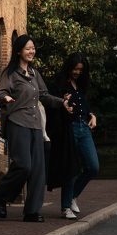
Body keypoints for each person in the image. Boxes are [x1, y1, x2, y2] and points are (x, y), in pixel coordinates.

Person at [0, 35, 71, 223]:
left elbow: (44, 95)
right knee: (24, 165)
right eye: (28, 48)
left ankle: (32, 211)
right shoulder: (10, 73)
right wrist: (5, 98)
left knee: (37, 169)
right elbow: (0, 92)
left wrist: (62, 103)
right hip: (17, 121)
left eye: (33, 48)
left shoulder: (35, 74)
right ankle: (0, 196)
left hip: (35, 124)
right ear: (19, 51)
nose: (31, 51)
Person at [47, 52, 98, 220]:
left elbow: (84, 103)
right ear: (69, 67)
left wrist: (92, 114)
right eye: (75, 69)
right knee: (71, 168)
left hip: (84, 127)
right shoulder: (59, 84)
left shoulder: (81, 83)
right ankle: (66, 207)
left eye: (81, 69)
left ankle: (73, 195)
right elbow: (51, 103)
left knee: (93, 166)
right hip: (68, 128)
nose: (77, 72)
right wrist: (64, 105)